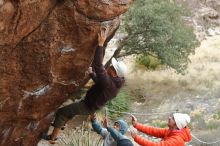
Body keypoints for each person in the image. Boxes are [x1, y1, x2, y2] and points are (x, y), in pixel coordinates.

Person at [42, 27, 127, 144]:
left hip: (87, 106)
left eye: (112, 67)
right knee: (69, 112)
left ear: (115, 72)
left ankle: (53, 138)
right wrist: (92, 74)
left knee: (61, 112)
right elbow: (100, 83)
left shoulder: (109, 83)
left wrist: (100, 45)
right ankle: (60, 126)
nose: (109, 67)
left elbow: (98, 65)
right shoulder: (114, 84)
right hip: (90, 105)